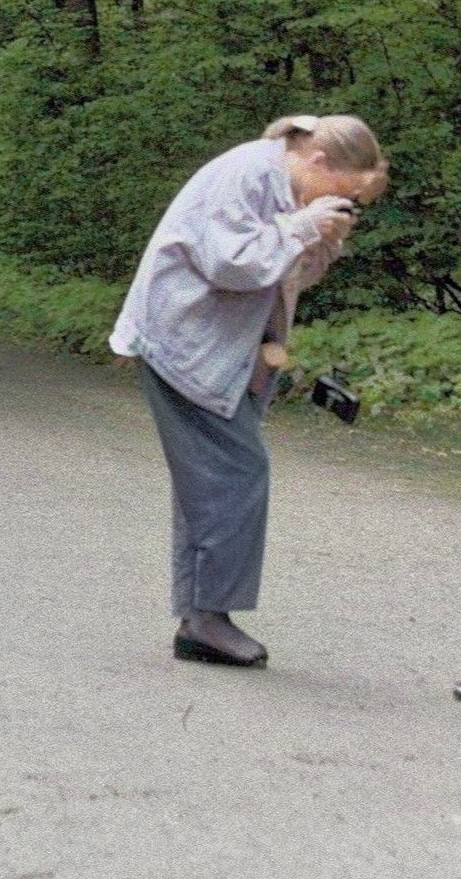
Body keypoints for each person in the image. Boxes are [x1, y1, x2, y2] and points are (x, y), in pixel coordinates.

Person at [110, 114, 388, 668]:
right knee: (236, 470)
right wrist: (304, 227)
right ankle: (209, 618)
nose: (345, 205)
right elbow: (229, 263)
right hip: (186, 341)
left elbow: (283, 274)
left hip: (234, 350)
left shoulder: (289, 188)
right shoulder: (244, 173)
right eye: (344, 193)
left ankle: (200, 618)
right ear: (317, 161)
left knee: (212, 478)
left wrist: (319, 240)